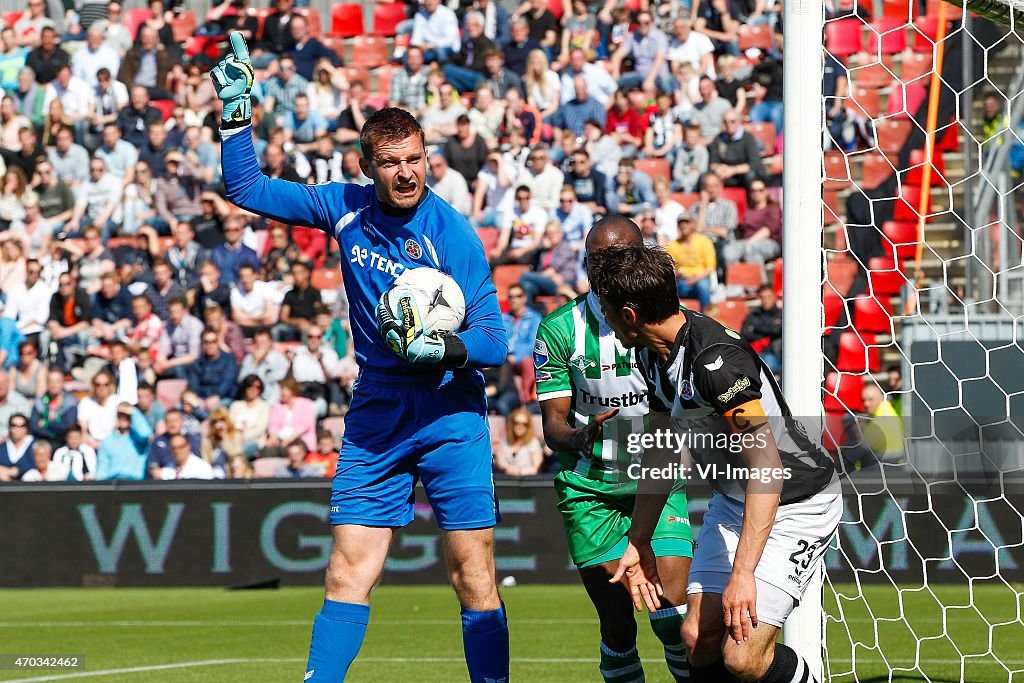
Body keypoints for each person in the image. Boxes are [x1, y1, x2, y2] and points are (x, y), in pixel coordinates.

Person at [213, 34, 509, 682]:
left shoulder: (452, 234)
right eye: (391, 162)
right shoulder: (342, 206)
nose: (406, 172)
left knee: (472, 572)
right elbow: (245, 186)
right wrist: (237, 113)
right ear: (368, 165)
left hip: (448, 408)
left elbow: (495, 336)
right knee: (347, 568)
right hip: (377, 407)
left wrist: (448, 346)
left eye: (415, 159)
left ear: (427, 158)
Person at [587, 244, 841, 683]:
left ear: (629, 314)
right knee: (696, 639)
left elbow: (768, 468)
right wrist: (639, 541)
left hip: (796, 505)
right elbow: (662, 449)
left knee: (742, 658)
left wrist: (743, 575)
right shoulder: (650, 354)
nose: (605, 322)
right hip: (735, 499)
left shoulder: (715, 363)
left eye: (607, 312)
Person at [534, 216, 692, 682]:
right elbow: (554, 425)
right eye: (597, 259)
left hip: (657, 481)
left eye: (619, 257)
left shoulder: (668, 321)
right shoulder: (560, 329)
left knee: (674, 616)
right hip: (591, 488)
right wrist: (579, 436)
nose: (606, 267)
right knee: (620, 625)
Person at [723, 179, 781, 266]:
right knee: (729, 250)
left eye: (760, 190)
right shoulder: (747, 210)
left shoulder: (773, 208)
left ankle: (755, 279)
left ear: (766, 191)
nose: (756, 193)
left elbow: (768, 230)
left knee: (751, 250)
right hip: (747, 242)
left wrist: (749, 242)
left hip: (769, 243)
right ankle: (736, 277)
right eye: (753, 190)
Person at [666, 210, 715, 310]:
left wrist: (696, 279)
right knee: (667, 288)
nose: (683, 225)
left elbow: (710, 268)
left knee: (703, 286)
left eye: (686, 222)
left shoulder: (704, 241)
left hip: (700, 279)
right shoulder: (672, 245)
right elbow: (670, 268)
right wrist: (677, 273)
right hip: (681, 281)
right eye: (681, 223)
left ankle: (706, 317)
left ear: (692, 224)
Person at [185, 329, 240, 411]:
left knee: (217, 407)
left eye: (213, 342)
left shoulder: (229, 360)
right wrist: (198, 400)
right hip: (201, 399)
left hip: (222, 398)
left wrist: (217, 396)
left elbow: (227, 382)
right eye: (206, 342)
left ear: (218, 343)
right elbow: (193, 385)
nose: (210, 345)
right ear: (202, 344)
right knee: (182, 406)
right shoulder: (197, 363)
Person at [96, 402, 152, 480]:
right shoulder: (107, 441)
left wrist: (134, 412)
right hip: (114, 483)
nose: (123, 418)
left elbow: (146, 434)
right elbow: (102, 470)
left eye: (127, 416)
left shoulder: (138, 438)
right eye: (120, 415)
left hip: (135, 482)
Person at [30, 368, 78, 443]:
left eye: (57, 381)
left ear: (63, 382)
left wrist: (46, 423)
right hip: (42, 441)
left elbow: (67, 427)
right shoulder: (39, 402)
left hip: (63, 442)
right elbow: (34, 426)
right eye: (51, 381)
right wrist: (52, 433)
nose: (54, 385)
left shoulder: (70, 402)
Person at [492, 407, 543, 476]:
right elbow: (500, 463)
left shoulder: (533, 442)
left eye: (524, 424)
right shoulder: (504, 441)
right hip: (506, 480)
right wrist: (507, 468)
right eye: (516, 423)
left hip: (527, 480)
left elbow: (536, 467)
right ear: (511, 424)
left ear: (528, 426)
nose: (520, 426)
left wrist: (520, 472)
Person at [230, 374, 271, 457]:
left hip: (254, 442)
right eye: (250, 387)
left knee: (241, 450)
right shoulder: (236, 405)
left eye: (257, 387)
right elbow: (231, 425)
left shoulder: (264, 407)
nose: (253, 390)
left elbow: (259, 430)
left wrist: (241, 434)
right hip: (234, 440)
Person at [0, 414, 36, 481]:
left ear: (26, 428)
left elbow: (38, 463)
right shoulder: (2, 447)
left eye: (21, 426)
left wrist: (18, 470)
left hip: (30, 486)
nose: (17, 429)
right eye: (14, 425)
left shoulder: (35, 445)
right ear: (9, 428)